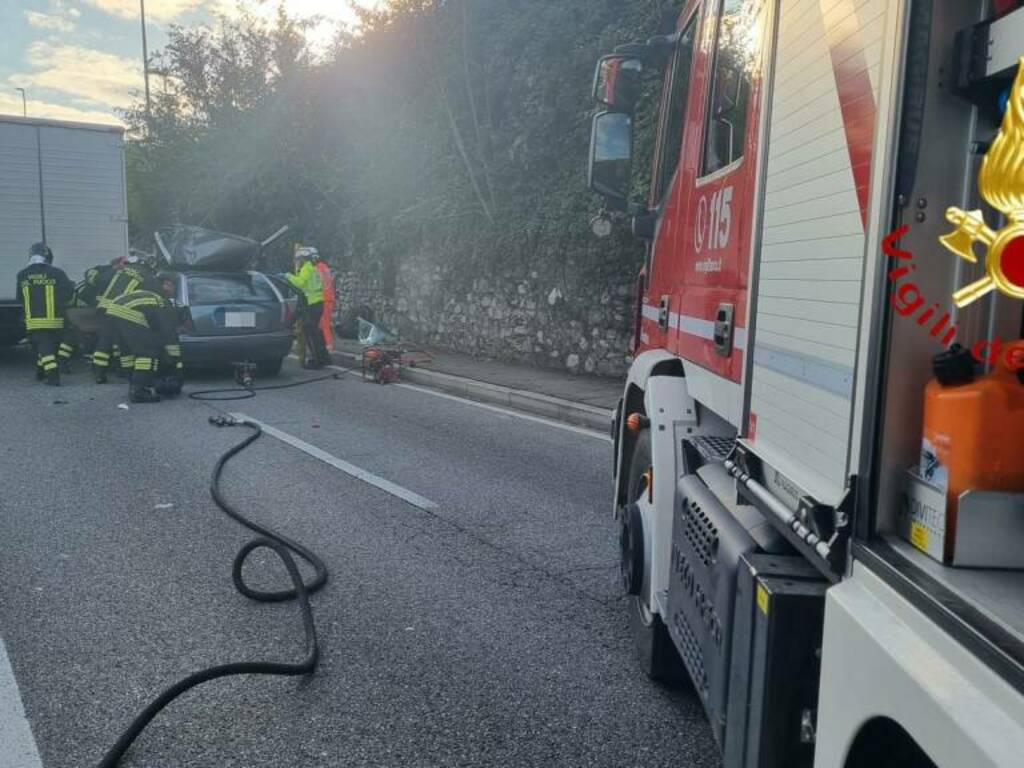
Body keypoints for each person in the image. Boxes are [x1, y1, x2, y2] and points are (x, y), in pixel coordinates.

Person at [104, 277, 182, 403]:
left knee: (127, 351)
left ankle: (133, 385)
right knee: (148, 352)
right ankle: (139, 391)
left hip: (112, 310)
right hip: (128, 312)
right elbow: (168, 334)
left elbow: (155, 328)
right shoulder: (162, 302)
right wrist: (175, 364)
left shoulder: (151, 296)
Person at [15, 242, 74, 386]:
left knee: (44, 349)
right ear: (47, 257)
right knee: (47, 348)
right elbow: (68, 294)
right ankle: (40, 373)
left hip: (34, 321)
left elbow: (19, 297)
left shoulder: (22, 275)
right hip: (56, 320)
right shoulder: (58, 273)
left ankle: (53, 377)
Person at [92, 255, 154, 383]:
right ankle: (127, 373)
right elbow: (149, 295)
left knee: (105, 340)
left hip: (104, 307)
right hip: (121, 309)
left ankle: (99, 374)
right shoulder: (145, 275)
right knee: (125, 341)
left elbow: (102, 282)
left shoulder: (121, 271)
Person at [286, 246, 330, 369]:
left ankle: (317, 361)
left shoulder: (306, 268)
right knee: (316, 332)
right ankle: (324, 357)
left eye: (298, 259)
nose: (296, 262)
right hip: (317, 303)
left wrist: (287, 276)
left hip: (312, 304)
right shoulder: (313, 268)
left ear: (303, 259)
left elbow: (300, 283)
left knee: (311, 333)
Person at [312, 250, 335, 351]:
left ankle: (329, 346)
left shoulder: (316, 269)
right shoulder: (324, 267)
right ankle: (326, 345)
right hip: (329, 297)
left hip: (323, 298)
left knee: (324, 324)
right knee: (323, 323)